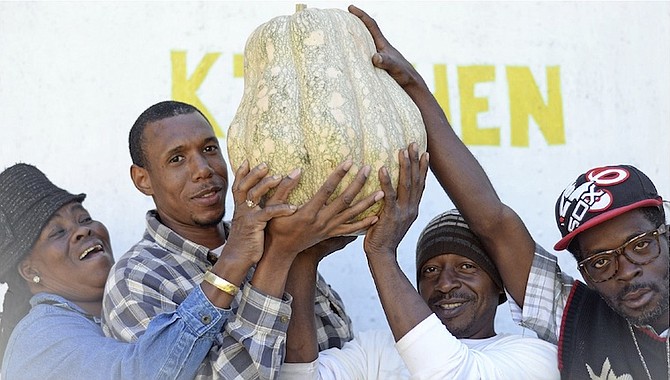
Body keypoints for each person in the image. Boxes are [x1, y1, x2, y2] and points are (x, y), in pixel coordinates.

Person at [354, 3, 669, 380]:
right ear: (584, 272)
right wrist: (413, 88)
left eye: (640, 245)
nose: (627, 271)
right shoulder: (577, 319)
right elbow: (493, 223)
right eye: (600, 262)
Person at [102, 100, 381, 379]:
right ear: (143, 180)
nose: (203, 169)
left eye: (209, 149)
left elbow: (337, 344)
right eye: (177, 159)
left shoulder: (271, 236)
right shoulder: (135, 277)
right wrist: (277, 257)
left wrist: (303, 254)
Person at [279, 140, 559, 378]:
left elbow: (446, 373)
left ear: (499, 285)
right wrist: (305, 255)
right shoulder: (377, 349)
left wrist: (381, 252)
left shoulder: (537, 357)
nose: (446, 283)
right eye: (431, 270)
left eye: (466, 266)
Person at [0, 163, 248, 379]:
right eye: (57, 232)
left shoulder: (135, 297)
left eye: (84, 219)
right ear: (29, 269)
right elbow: (140, 374)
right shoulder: (40, 338)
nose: (82, 231)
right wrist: (229, 267)